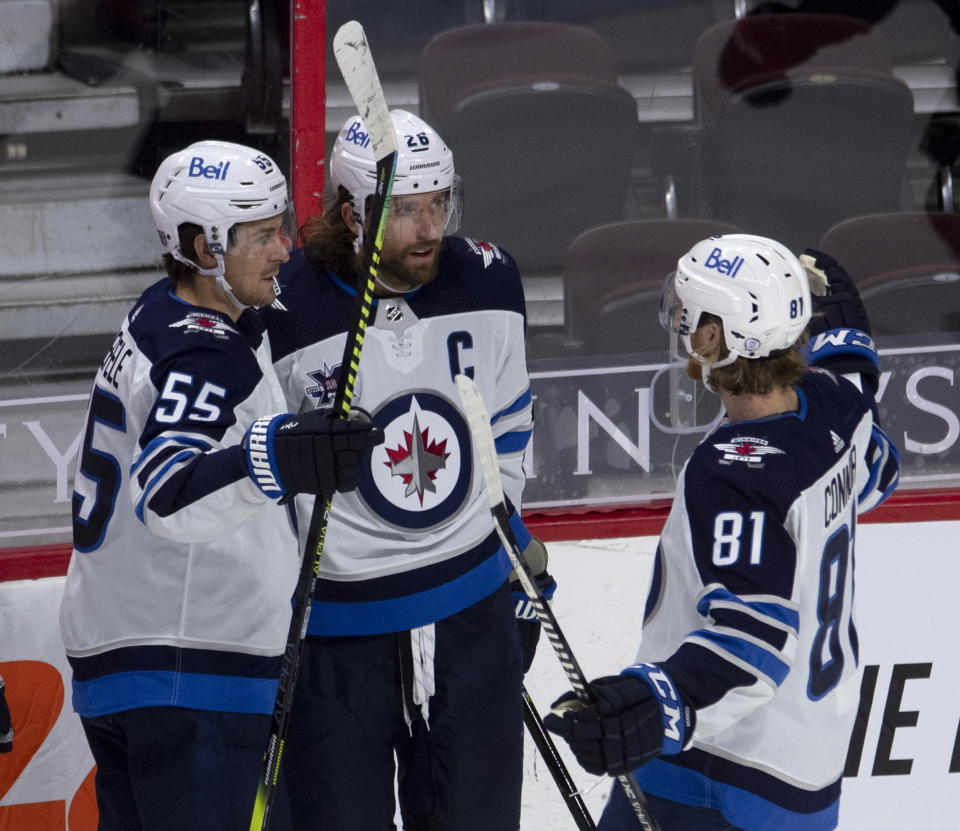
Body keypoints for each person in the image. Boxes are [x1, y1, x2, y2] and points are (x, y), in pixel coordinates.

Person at [59, 140, 381, 831]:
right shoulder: (204, 352)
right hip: (188, 674)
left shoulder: (168, 312)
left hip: (139, 660)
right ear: (206, 248)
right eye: (263, 234)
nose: (285, 249)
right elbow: (167, 489)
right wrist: (278, 455)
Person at [544, 234, 900, 831]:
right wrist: (852, 352)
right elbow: (877, 468)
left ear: (720, 337)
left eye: (690, 314)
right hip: (809, 769)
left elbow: (752, 643)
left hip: (719, 778)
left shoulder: (734, 472)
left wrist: (652, 704)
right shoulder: (832, 404)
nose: (679, 322)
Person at [260, 109, 553, 831]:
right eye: (407, 211)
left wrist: (511, 565)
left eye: (438, 205)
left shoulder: (490, 278)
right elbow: (265, 474)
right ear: (352, 212)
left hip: (471, 622)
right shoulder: (283, 307)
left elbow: (508, 430)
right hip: (335, 639)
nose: (429, 230)